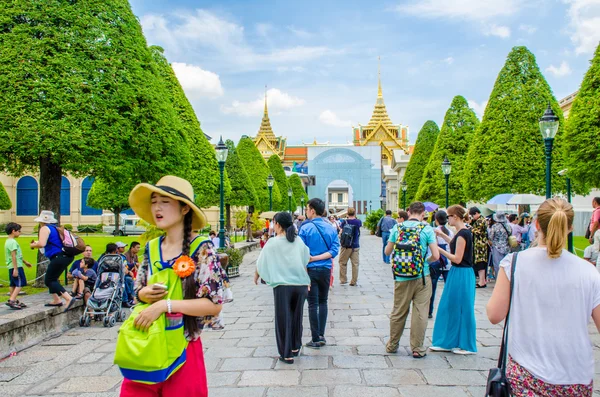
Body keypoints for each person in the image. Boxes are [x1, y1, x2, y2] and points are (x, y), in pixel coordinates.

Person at [118, 175, 225, 396]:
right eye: (154, 201)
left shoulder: (201, 248)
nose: (157, 207)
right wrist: (144, 294)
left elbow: (214, 304)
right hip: (146, 344)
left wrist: (165, 305)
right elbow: (138, 291)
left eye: (165, 202)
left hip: (183, 347)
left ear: (185, 208)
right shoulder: (151, 247)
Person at [487, 198, 600, 396]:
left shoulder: (514, 264)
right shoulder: (588, 271)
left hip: (526, 371)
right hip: (575, 374)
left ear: (537, 224)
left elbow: (494, 314)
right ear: (570, 227)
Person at [384, 201, 439, 358]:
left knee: (399, 310)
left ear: (408, 213)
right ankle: (417, 348)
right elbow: (436, 255)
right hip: (422, 277)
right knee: (420, 312)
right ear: (422, 214)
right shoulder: (426, 229)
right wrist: (424, 262)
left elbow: (387, 252)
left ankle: (393, 345)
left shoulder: (397, 227)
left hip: (401, 277)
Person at [254, 212, 310, 364]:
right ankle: (295, 347)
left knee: (283, 319)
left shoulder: (272, 243)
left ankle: (286, 354)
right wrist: (307, 281)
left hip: (283, 286)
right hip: (301, 285)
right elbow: (305, 260)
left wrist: (257, 276)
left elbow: (261, 262)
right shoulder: (298, 241)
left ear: (277, 224)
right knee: (297, 317)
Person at [430, 205, 477, 355]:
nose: (447, 219)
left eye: (449, 216)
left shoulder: (463, 233)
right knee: (452, 306)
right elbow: (455, 244)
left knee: (462, 307)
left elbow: (457, 257)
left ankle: (466, 344)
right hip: (460, 272)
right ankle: (450, 341)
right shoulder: (463, 232)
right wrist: (442, 236)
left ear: (455, 217)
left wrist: (439, 250)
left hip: (461, 272)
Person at [299, 198, 340, 349]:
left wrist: (312, 259)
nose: (306, 211)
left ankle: (315, 337)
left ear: (312, 210)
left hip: (310, 269)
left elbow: (301, 252)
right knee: (323, 301)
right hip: (326, 269)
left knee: (312, 304)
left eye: (307, 209)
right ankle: (321, 334)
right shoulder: (330, 227)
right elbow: (334, 250)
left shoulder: (305, 228)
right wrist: (319, 258)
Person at [30, 210, 75, 311]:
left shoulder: (44, 228)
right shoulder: (55, 228)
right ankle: (56, 299)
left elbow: (42, 244)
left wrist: (33, 245)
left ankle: (68, 298)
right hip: (65, 256)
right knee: (52, 278)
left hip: (58, 257)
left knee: (49, 280)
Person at [428, 210, 453, 319]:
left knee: (431, 289)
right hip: (448, 262)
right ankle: (449, 310)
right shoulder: (450, 232)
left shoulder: (434, 231)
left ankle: (429, 310)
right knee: (449, 289)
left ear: (436, 220)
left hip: (436, 262)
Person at [4, 223, 32, 310]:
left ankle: (14, 300)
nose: (20, 233)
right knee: (20, 283)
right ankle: (12, 300)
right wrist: (16, 269)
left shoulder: (8, 241)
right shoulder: (12, 242)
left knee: (13, 284)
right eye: (19, 231)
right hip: (16, 266)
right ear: (13, 231)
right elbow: (13, 256)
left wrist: (25, 262)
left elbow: (17, 255)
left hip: (11, 266)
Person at [338, 207, 362, 286]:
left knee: (342, 262)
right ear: (354, 213)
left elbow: (341, 232)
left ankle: (343, 279)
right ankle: (353, 281)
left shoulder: (344, 222)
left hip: (346, 246)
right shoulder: (358, 222)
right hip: (355, 245)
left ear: (347, 213)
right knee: (355, 264)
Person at [469, 207, 488, 288]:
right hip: (479, 245)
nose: (472, 217)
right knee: (480, 264)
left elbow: (478, 231)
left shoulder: (481, 220)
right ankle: (482, 281)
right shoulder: (480, 220)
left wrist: (470, 228)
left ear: (476, 213)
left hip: (480, 246)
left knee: (480, 263)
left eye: (473, 215)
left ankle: (482, 281)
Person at [488, 212, 511, 278]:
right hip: (507, 247)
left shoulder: (495, 226)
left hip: (497, 247)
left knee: (498, 265)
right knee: (507, 264)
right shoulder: (508, 226)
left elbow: (490, 237)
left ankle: (499, 279)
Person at [116, 241, 135, 308]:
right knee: (123, 280)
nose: (124, 248)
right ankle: (127, 298)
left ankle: (131, 297)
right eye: (122, 247)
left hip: (124, 274)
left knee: (128, 279)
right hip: (118, 275)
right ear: (117, 249)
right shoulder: (115, 257)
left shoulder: (123, 256)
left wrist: (133, 265)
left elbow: (126, 266)